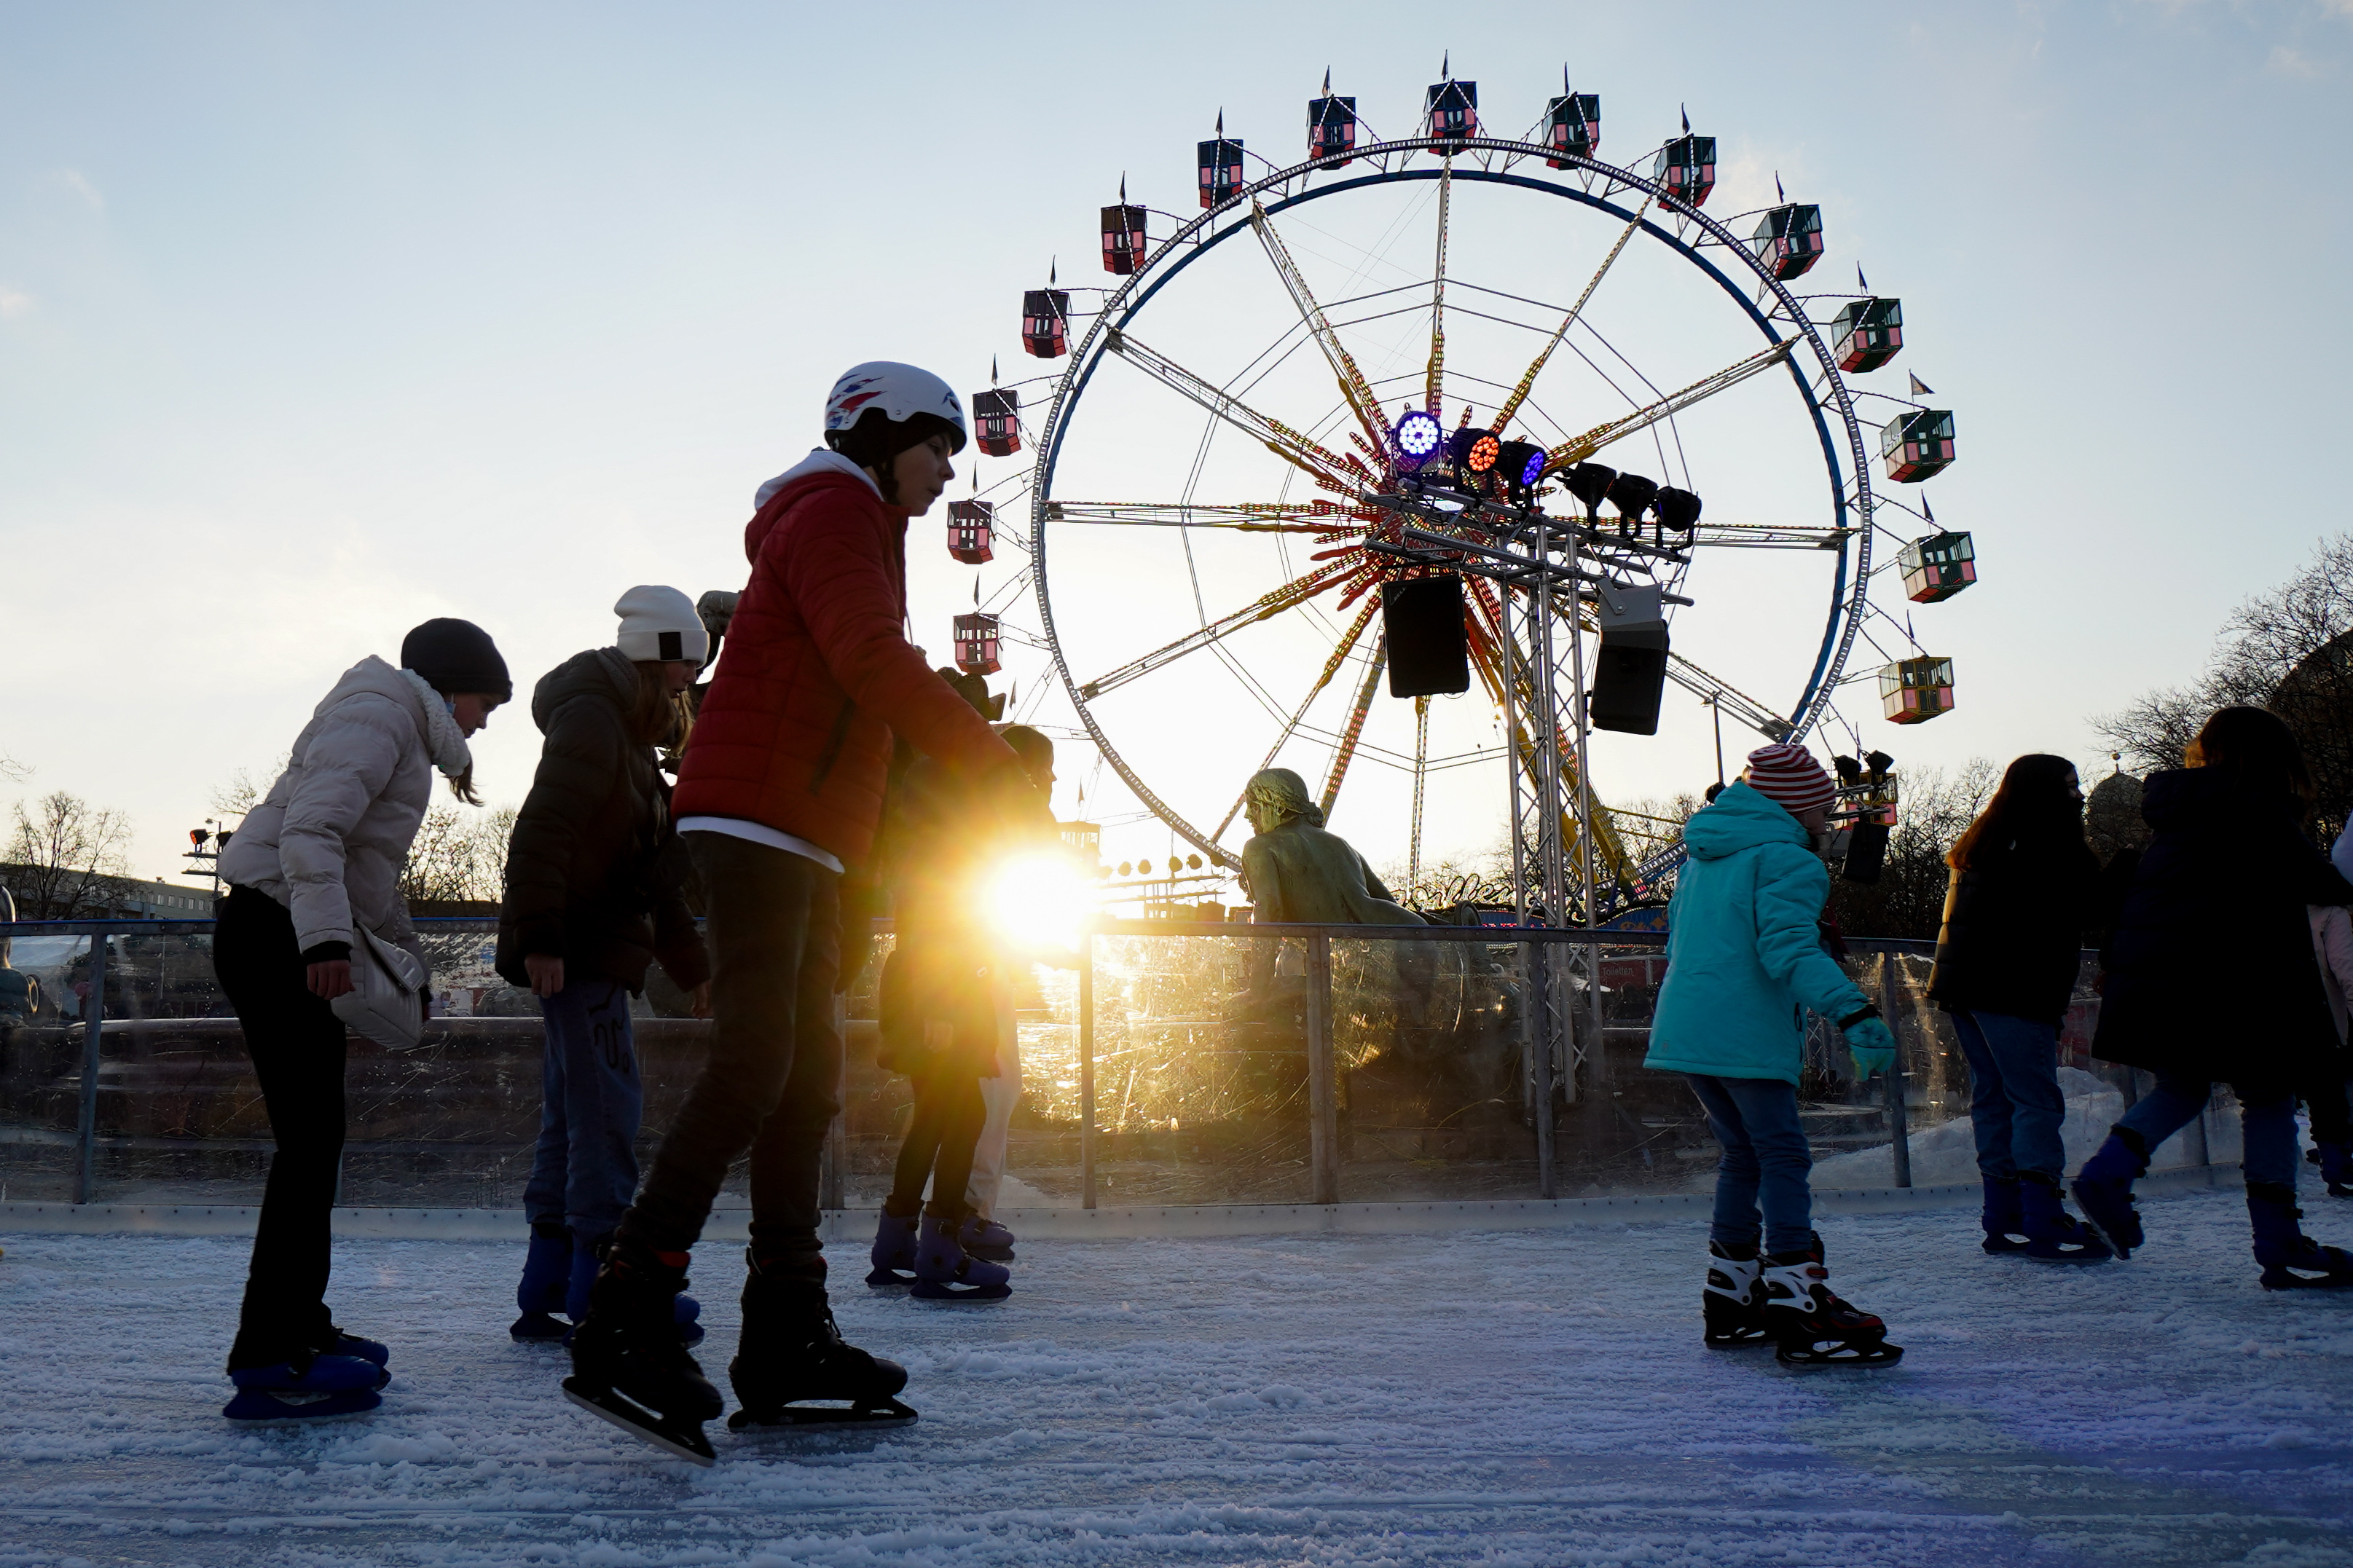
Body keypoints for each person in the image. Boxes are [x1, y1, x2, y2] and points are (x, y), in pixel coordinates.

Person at [562, 363, 1047, 1461]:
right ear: (879, 436)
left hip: (806, 833)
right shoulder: (833, 505)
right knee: (752, 1065)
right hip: (757, 824)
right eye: (935, 451)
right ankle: (626, 1305)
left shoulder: (860, 521)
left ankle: (784, 1329)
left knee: (804, 1080)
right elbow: (869, 662)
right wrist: (991, 766)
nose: (944, 476)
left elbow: (858, 694)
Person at [212, 619, 509, 1420]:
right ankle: (271, 1351)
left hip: (284, 929)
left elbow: (370, 872)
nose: (485, 721)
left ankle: (298, 1326)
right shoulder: (380, 713)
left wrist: (406, 967)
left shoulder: (398, 724)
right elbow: (312, 830)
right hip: (276, 931)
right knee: (308, 1143)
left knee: (318, 1142)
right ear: (451, 686)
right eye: (485, 703)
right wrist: (326, 942)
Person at [499, 587, 715, 1344]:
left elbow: (651, 871)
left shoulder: (622, 732)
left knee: (574, 1111)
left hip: (589, 945)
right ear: (655, 654)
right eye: (683, 666)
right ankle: (606, 1287)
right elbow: (542, 828)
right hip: (580, 949)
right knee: (605, 1112)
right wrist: (543, 939)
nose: (687, 682)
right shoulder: (595, 722)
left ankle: (551, 1276)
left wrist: (690, 967)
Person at [1643, 742, 1904, 1366]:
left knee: (1743, 1154)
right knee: (1783, 1153)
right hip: (1744, 1029)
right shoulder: (1787, 860)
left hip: (1688, 1028)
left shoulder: (1703, 859)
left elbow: (1685, 940)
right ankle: (1796, 1296)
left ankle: (1730, 1294)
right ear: (1794, 805)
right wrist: (1857, 1013)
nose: (1827, 816)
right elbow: (1788, 952)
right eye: (1820, 804)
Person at [2073, 706, 2353, 1288]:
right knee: (2270, 1097)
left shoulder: (2174, 817)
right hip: (2238, 980)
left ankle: (2108, 1169)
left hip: (2162, 978)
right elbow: (2322, 884)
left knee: (2181, 1085)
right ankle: (2280, 1242)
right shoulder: (2257, 804)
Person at [866, 725, 1059, 1301]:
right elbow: (944, 925)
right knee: (965, 1112)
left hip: (921, 982)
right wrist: (946, 1008)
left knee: (932, 1114)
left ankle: (898, 1240)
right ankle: (942, 1246)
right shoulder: (957, 839)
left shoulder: (927, 825)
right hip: (947, 985)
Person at [1926, 755, 2113, 1262]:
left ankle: (2003, 1212)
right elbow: (2081, 907)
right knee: (2035, 1100)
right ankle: (2042, 1214)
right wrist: (2121, 875)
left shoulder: (1987, 842)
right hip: (2015, 988)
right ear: (2045, 793)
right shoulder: (2044, 841)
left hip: (1967, 987)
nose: (2078, 795)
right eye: (2070, 786)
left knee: (1995, 1097)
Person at [2305, 837, 2353, 1199]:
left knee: (2320, 1096)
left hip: (2284, 1019)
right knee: (2339, 1091)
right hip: (2329, 1021)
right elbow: (2347, 971)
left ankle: (2333, 1166)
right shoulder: (2332, 915)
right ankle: (2341, 1163)